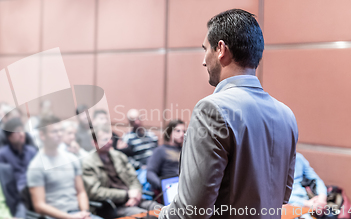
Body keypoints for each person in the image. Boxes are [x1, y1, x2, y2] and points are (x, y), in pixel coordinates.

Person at [158, 9, 298, 219]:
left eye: (205, 49)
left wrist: (162, 214)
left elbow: (192, 211)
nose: (204, 61)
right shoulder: (287, 115)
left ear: (221, 49)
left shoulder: (212, 109)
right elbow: (283, 194)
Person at [27, 116, 99, 219]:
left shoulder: (71, 158)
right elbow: (39, 205)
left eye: (61, 130)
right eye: (54, 132)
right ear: (42, 135)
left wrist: (85, 213)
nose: (60, 134)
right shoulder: (36, 166)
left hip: (79, 214)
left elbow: (81, 192)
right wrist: (69, 217)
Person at [82, 124, 160, 217]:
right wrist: (126, 194)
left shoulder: (119, 156)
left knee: (162, 209)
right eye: (104, 140)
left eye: (110, 139)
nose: (110, 142)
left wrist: (136, 194)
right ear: (94, 143)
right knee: (146, 216)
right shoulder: (88, 163)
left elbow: (133, 178)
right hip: (111, 206)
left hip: (133, 198)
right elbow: (96, 192)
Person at [289, 153, 351, 219]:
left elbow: (317, 180)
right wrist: (305, 203)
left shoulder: (298, 158)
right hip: (292, 204)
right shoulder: (278, 162)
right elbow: (279, 197)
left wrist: (322, 197)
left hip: (312, 199)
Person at [0, 118, 38, 191]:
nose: (22, 134)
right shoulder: (1, 154)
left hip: (34, 188)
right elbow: (1, 181)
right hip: (15, 193)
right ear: (9, 136)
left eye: (23, 130)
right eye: (17, 131)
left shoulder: (32, 151)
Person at [146, 119, 184, 191]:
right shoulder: (160, 151)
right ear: (169, 132)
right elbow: (150, 173)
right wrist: (163, 186)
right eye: (178, 131)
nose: (182, 134)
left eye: (184, 131)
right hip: (168, 189)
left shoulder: (186, 152)